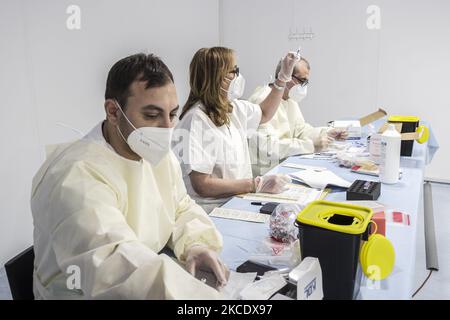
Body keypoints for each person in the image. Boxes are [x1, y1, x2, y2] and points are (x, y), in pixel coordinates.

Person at [30, 53, 228, 299]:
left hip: (144, 271)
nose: (167, 129)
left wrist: (195, 245)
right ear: (113, 111)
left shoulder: (153, 153)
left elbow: (179, 206)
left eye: (173, 114)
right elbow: (114, 266)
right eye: (152, 115)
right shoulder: (76, 174)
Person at [172, 47, 298, 213]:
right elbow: (202, 184)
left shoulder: (233, 108)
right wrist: (255, 184)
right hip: (211, 211)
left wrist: (282, 78)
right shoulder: (196, 119)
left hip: (237, 201)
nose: (238, 76)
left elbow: (265, 113)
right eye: (234, 71)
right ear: (217, 77)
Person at [248, 57, 348, 175]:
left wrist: (326, 133)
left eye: (306, 82)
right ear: (286, 75)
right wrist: (310, 145)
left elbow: (300, 130)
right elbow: (267, 148)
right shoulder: (262, 100)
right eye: (302, 80)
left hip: (284, 165)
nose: (304, 86)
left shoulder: (289, 99)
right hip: (265, 172)